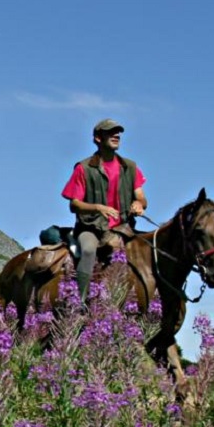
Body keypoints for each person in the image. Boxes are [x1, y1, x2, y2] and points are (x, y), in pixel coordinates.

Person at [61, 119, 147, 303]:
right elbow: (74, 205)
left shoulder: (130, 167)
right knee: (89, 250)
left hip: (123, 229)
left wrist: (139, 204)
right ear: (98, 138)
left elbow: (141, 196)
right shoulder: (83, 168)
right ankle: (81, 303)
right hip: (91, 228)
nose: (116, 136)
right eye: (111, 133)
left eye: (118, 133)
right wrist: (98, 208)